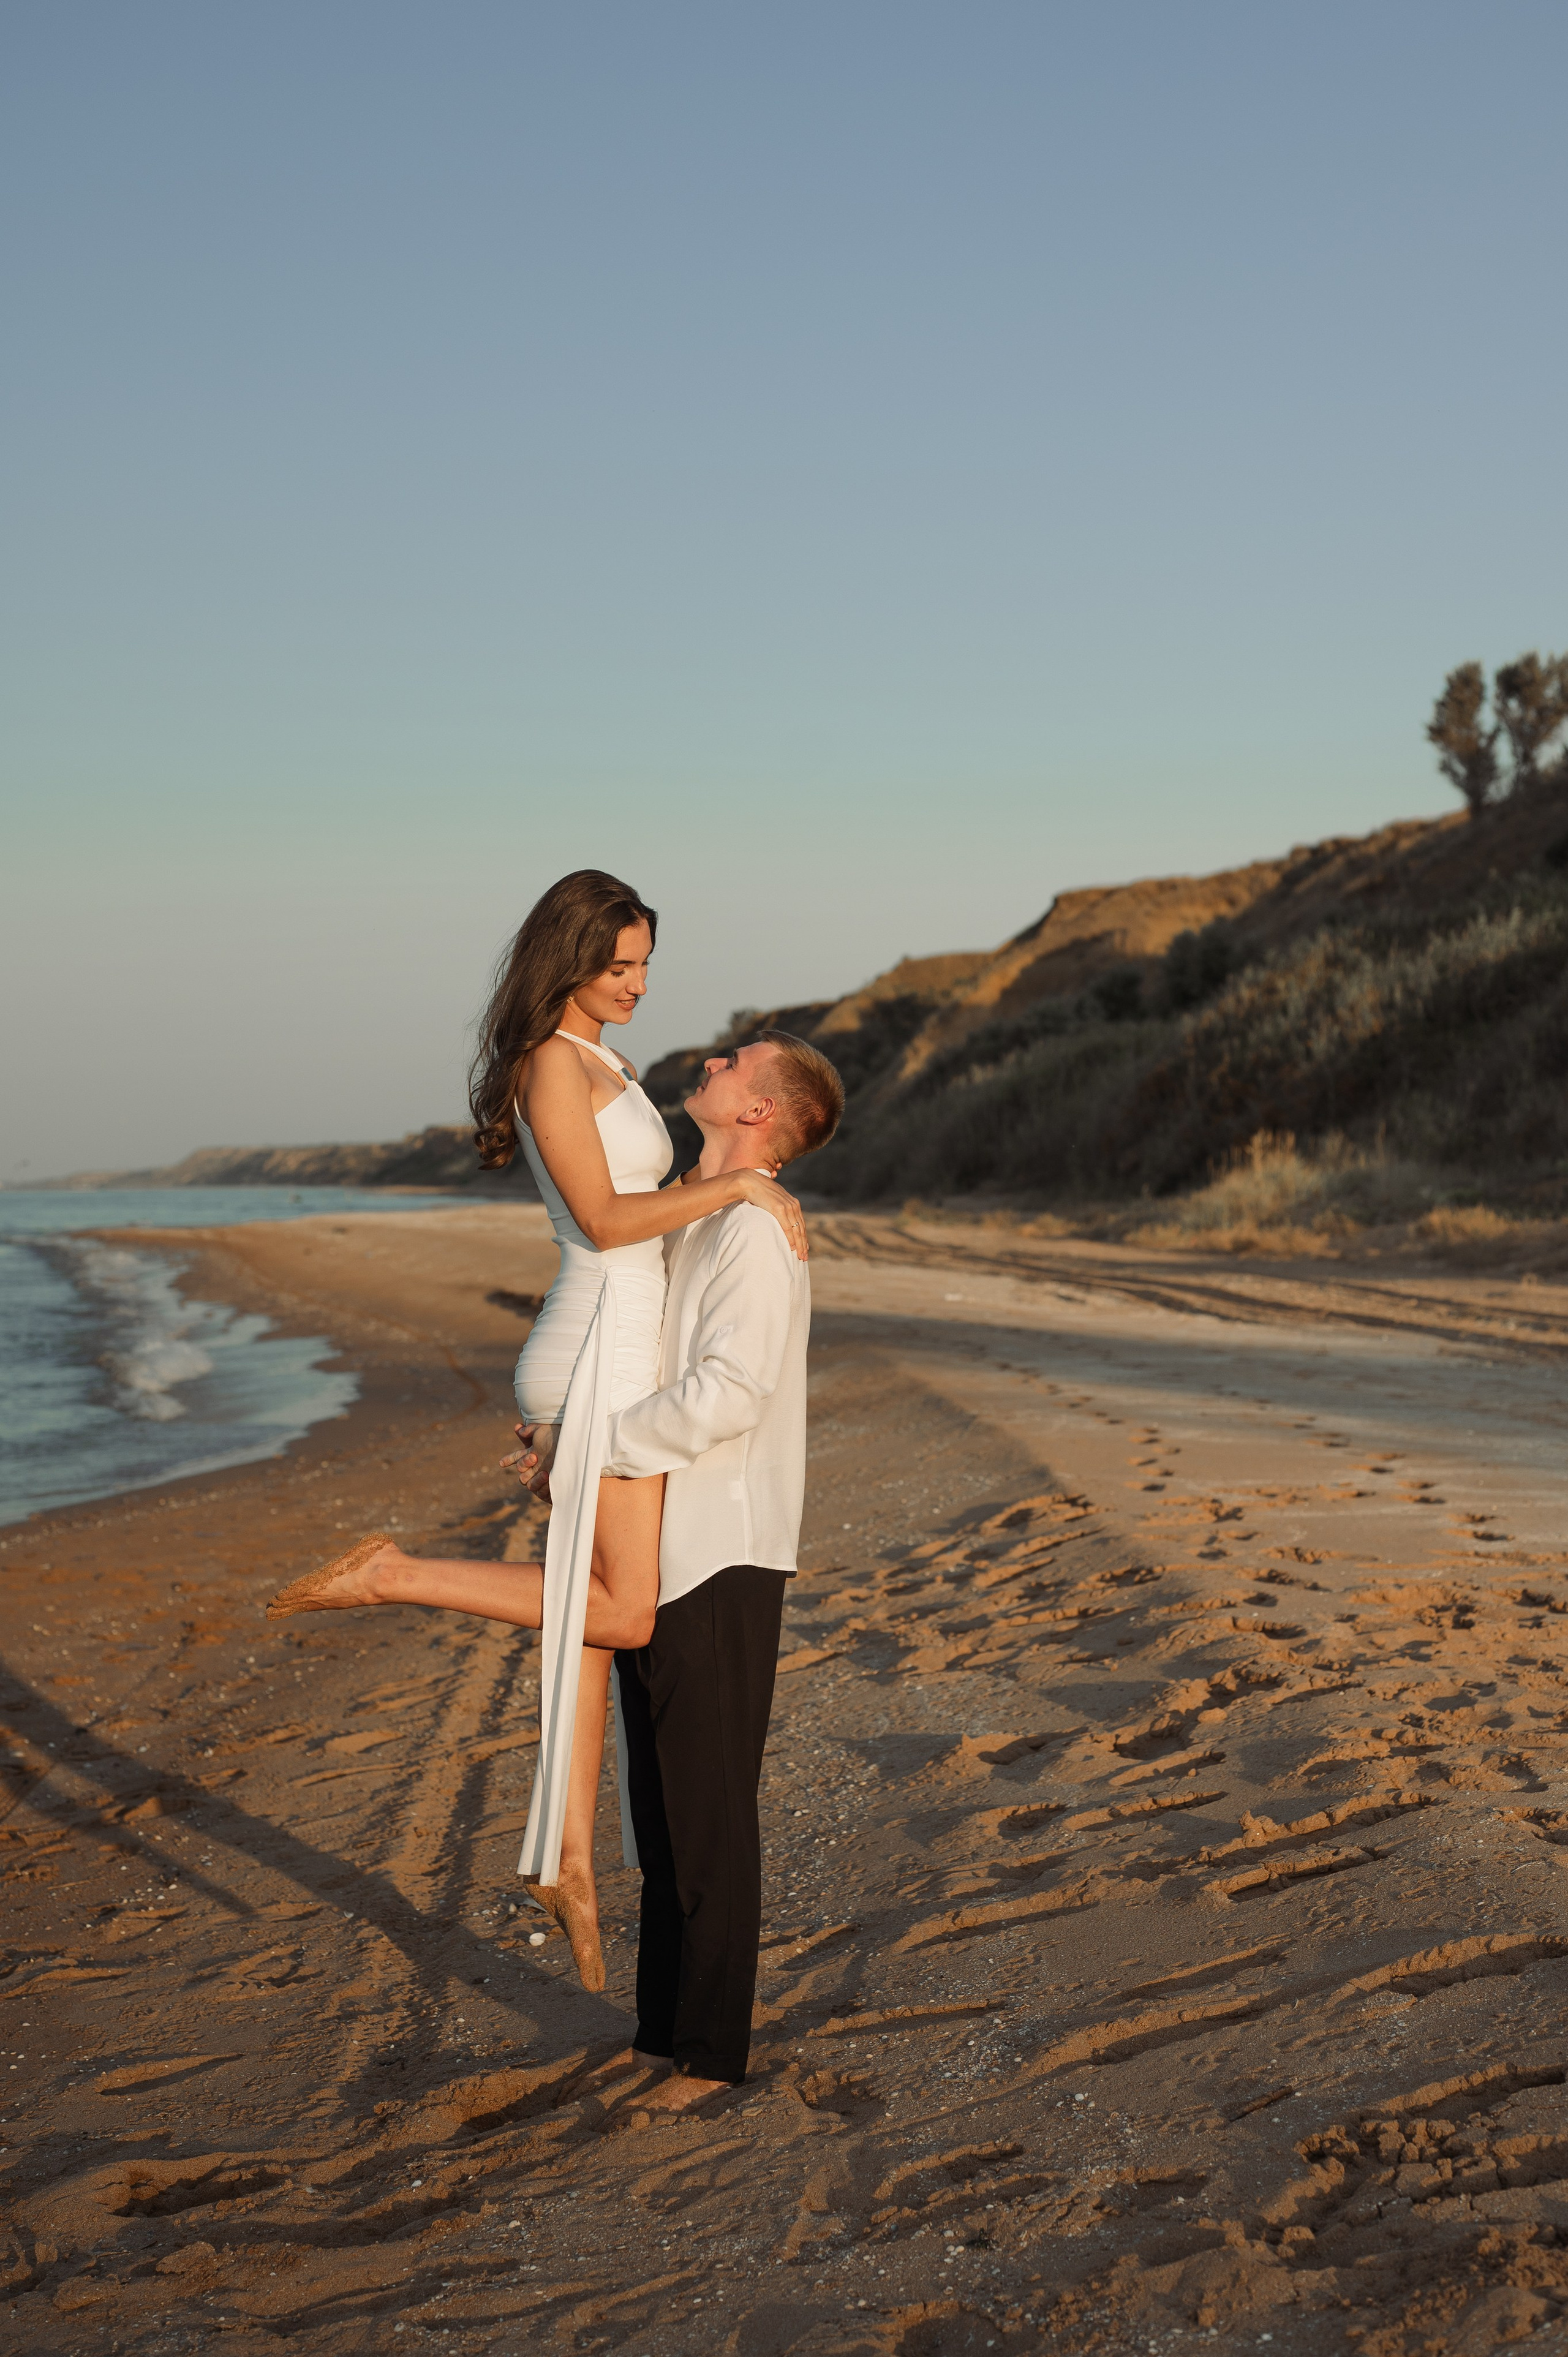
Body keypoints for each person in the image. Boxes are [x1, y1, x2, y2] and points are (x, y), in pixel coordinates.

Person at [263, 869, 807, 1991]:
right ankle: (390, 1572)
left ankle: (569, 1860)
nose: (639, 987)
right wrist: (742, 1191)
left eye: (648, 964)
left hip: (618, 1350)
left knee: (605, 1612)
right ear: (567, 962)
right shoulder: (553, 1064)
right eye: (619, 968)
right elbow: (609, 1225)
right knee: (622, 1604)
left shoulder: (604, 1062)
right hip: (596, 1345)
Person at [514, 1027, 843, 2108]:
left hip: (724, 1549)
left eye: (735, 1063)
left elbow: (729, 1394)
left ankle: (710, 2059)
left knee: (707, 1819)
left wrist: (595, 1453)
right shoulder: (703, 1221)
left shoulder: (755, 1236)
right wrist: (568, 1447)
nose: (710, 1062)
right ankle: (661, 2034)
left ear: (760, 1113)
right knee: (656, 1819)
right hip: (658, 1547)